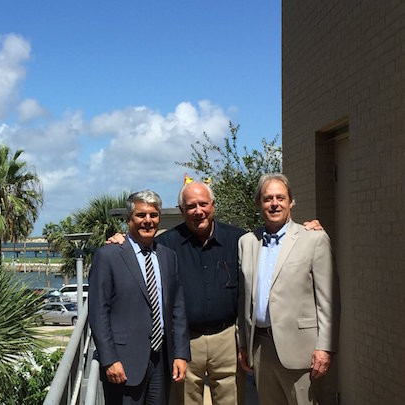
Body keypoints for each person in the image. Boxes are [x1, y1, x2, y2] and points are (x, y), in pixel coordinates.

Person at [107, 179, 323, 405]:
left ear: (213, 206)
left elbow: (276, 248)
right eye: (191, 206)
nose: (198, 211)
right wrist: (120, 239)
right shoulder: (165, 244)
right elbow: (137, 249)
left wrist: (308, 230)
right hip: (185, 343)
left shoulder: (240, 240)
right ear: (182, 210)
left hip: (227, 340)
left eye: (203, 204)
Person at [237, 173, 339, 405]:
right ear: (259, 204)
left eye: (280, 198)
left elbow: (329, 300)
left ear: (291, 202)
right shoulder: (247, 243)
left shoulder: (313, 239)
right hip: (261, 348)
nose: (274, 203)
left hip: (301, 351)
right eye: (268, 198)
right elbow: (243, 298)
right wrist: (243, 342)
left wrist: (325, 347)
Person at [89, 190, 190, 405]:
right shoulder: (108, 256)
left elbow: (177, 309)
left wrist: (181, 354)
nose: (148, 221)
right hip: (124, 363)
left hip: (161, 360)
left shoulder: (167, 256)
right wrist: (110, 359)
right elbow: (98, 313)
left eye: (153, 215)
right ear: (129, 219)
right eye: (141, 215)